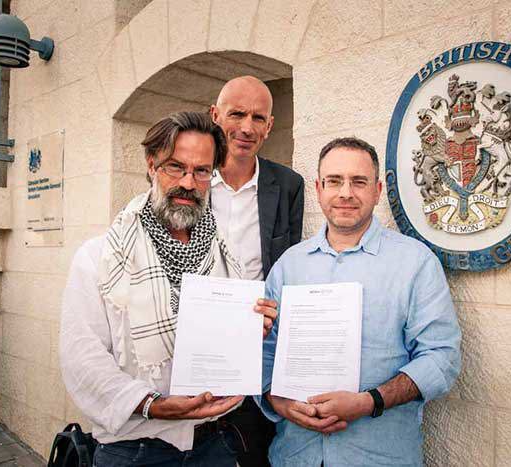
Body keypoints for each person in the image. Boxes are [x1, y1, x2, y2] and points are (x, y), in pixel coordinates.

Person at [60, 111, 278, 466]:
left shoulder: (227, 257)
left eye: (202, 171)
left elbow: (229, 349)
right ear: (151, 165)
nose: (189, 183)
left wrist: (253, 328)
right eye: (175, 167)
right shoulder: (100, 257)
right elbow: (81, 359)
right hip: (135, 449)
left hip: (215, 443)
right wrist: (151, 404)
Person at [258, 137, 462, 466]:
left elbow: (442, 358)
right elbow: (265, 349)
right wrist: (277, 401)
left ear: (377, 190)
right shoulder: (289, 265)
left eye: (359, 182)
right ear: (318, 187)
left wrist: (369, 402)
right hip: (295, 455)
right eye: (334, 181)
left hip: (380, 456)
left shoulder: (415, 263)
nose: (345, 193)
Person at [210, 75, 305, 466]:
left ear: (269, 126)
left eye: (258, 118)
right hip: (192, 343)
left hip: (256, 348)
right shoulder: (191, 178)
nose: (247, 127)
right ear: (215, 116)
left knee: (252, 451)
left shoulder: (288, 186)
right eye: (237, 114)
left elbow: (290, 269)